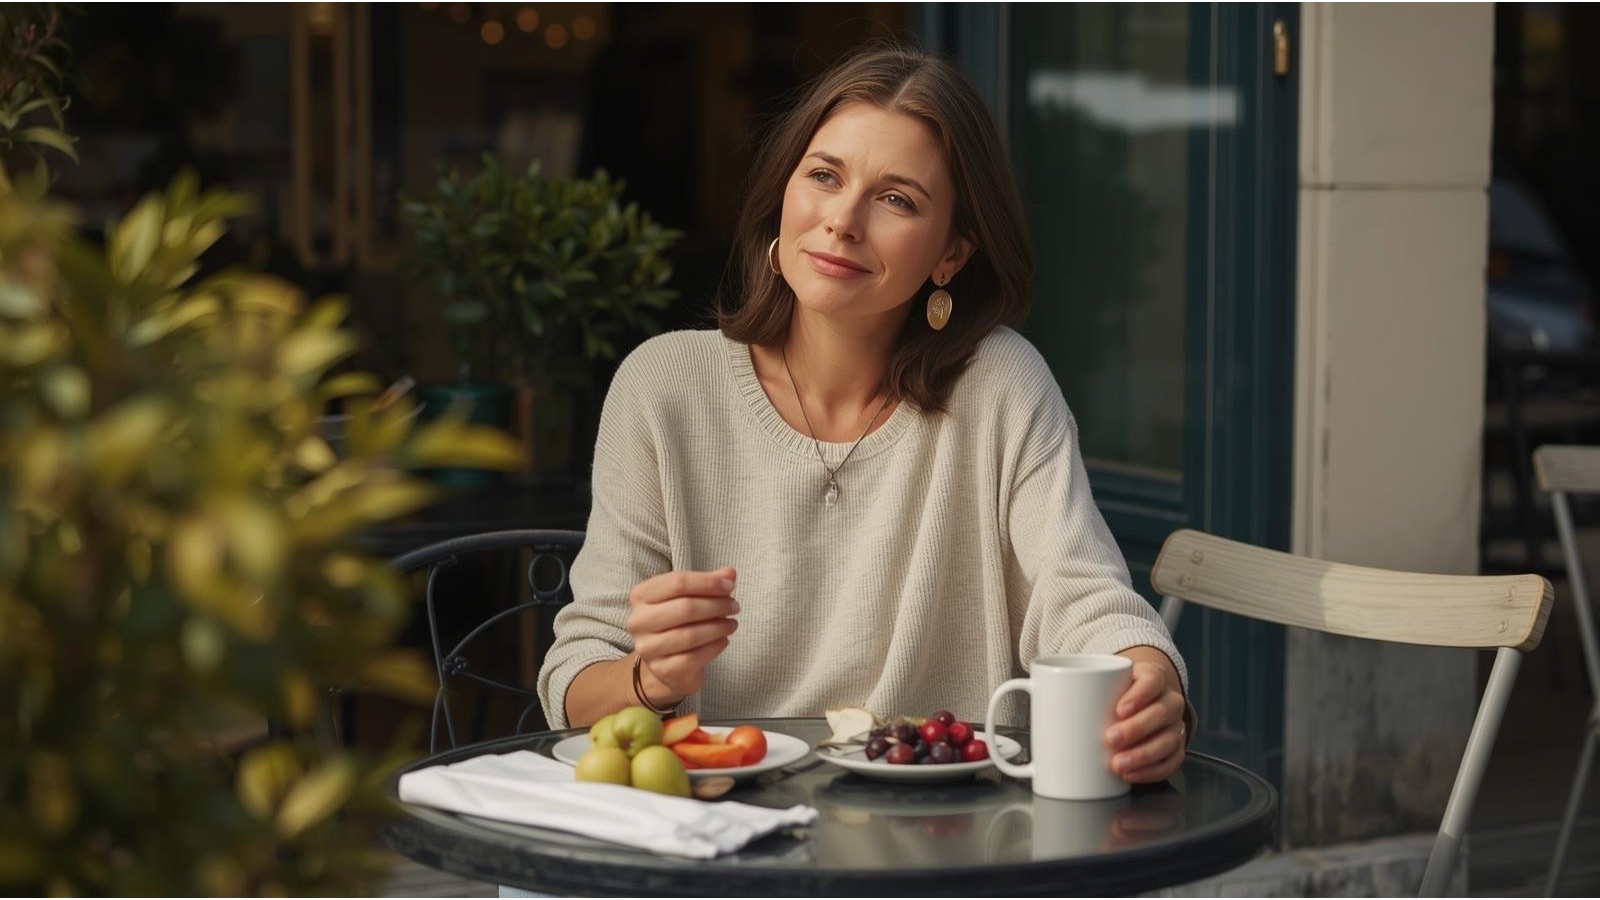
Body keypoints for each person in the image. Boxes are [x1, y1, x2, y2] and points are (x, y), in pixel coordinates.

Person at [538, 44, 1192, 785]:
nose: (843, 220)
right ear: (784, 192)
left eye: (897, 199)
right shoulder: (663, 386)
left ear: (950, 254)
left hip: (944, 838)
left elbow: (1085, 597)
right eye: (824, 175)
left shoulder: (1002, 384)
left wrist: (1148, 682)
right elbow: (577, 681)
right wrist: (650, 679)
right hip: (722, 829)